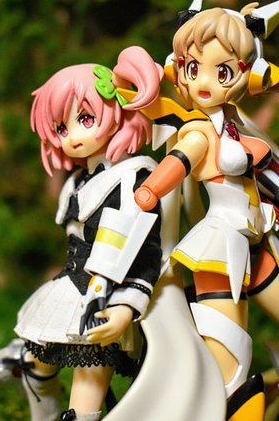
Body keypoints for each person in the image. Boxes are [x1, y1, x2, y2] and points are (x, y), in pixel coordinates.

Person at [132, 0, 279, 420]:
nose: (204, 81)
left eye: (221, 71)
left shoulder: (234, 120)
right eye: (192, 68)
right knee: (230, 366)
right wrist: (150, 190)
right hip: (221, 250)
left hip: (256, 244)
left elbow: (256, 77)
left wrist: (276, 81)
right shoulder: (199, 130)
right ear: (179, 68)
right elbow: (180, 160)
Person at [13, 46, 165, 421]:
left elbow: (145, 251)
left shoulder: (134, 180)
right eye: (62, 128)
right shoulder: (79, 182)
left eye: (85, 118)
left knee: (88, 384)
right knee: (34, 365)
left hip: (107, 298)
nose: (73, 136)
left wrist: (126, 306)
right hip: (72, 289)